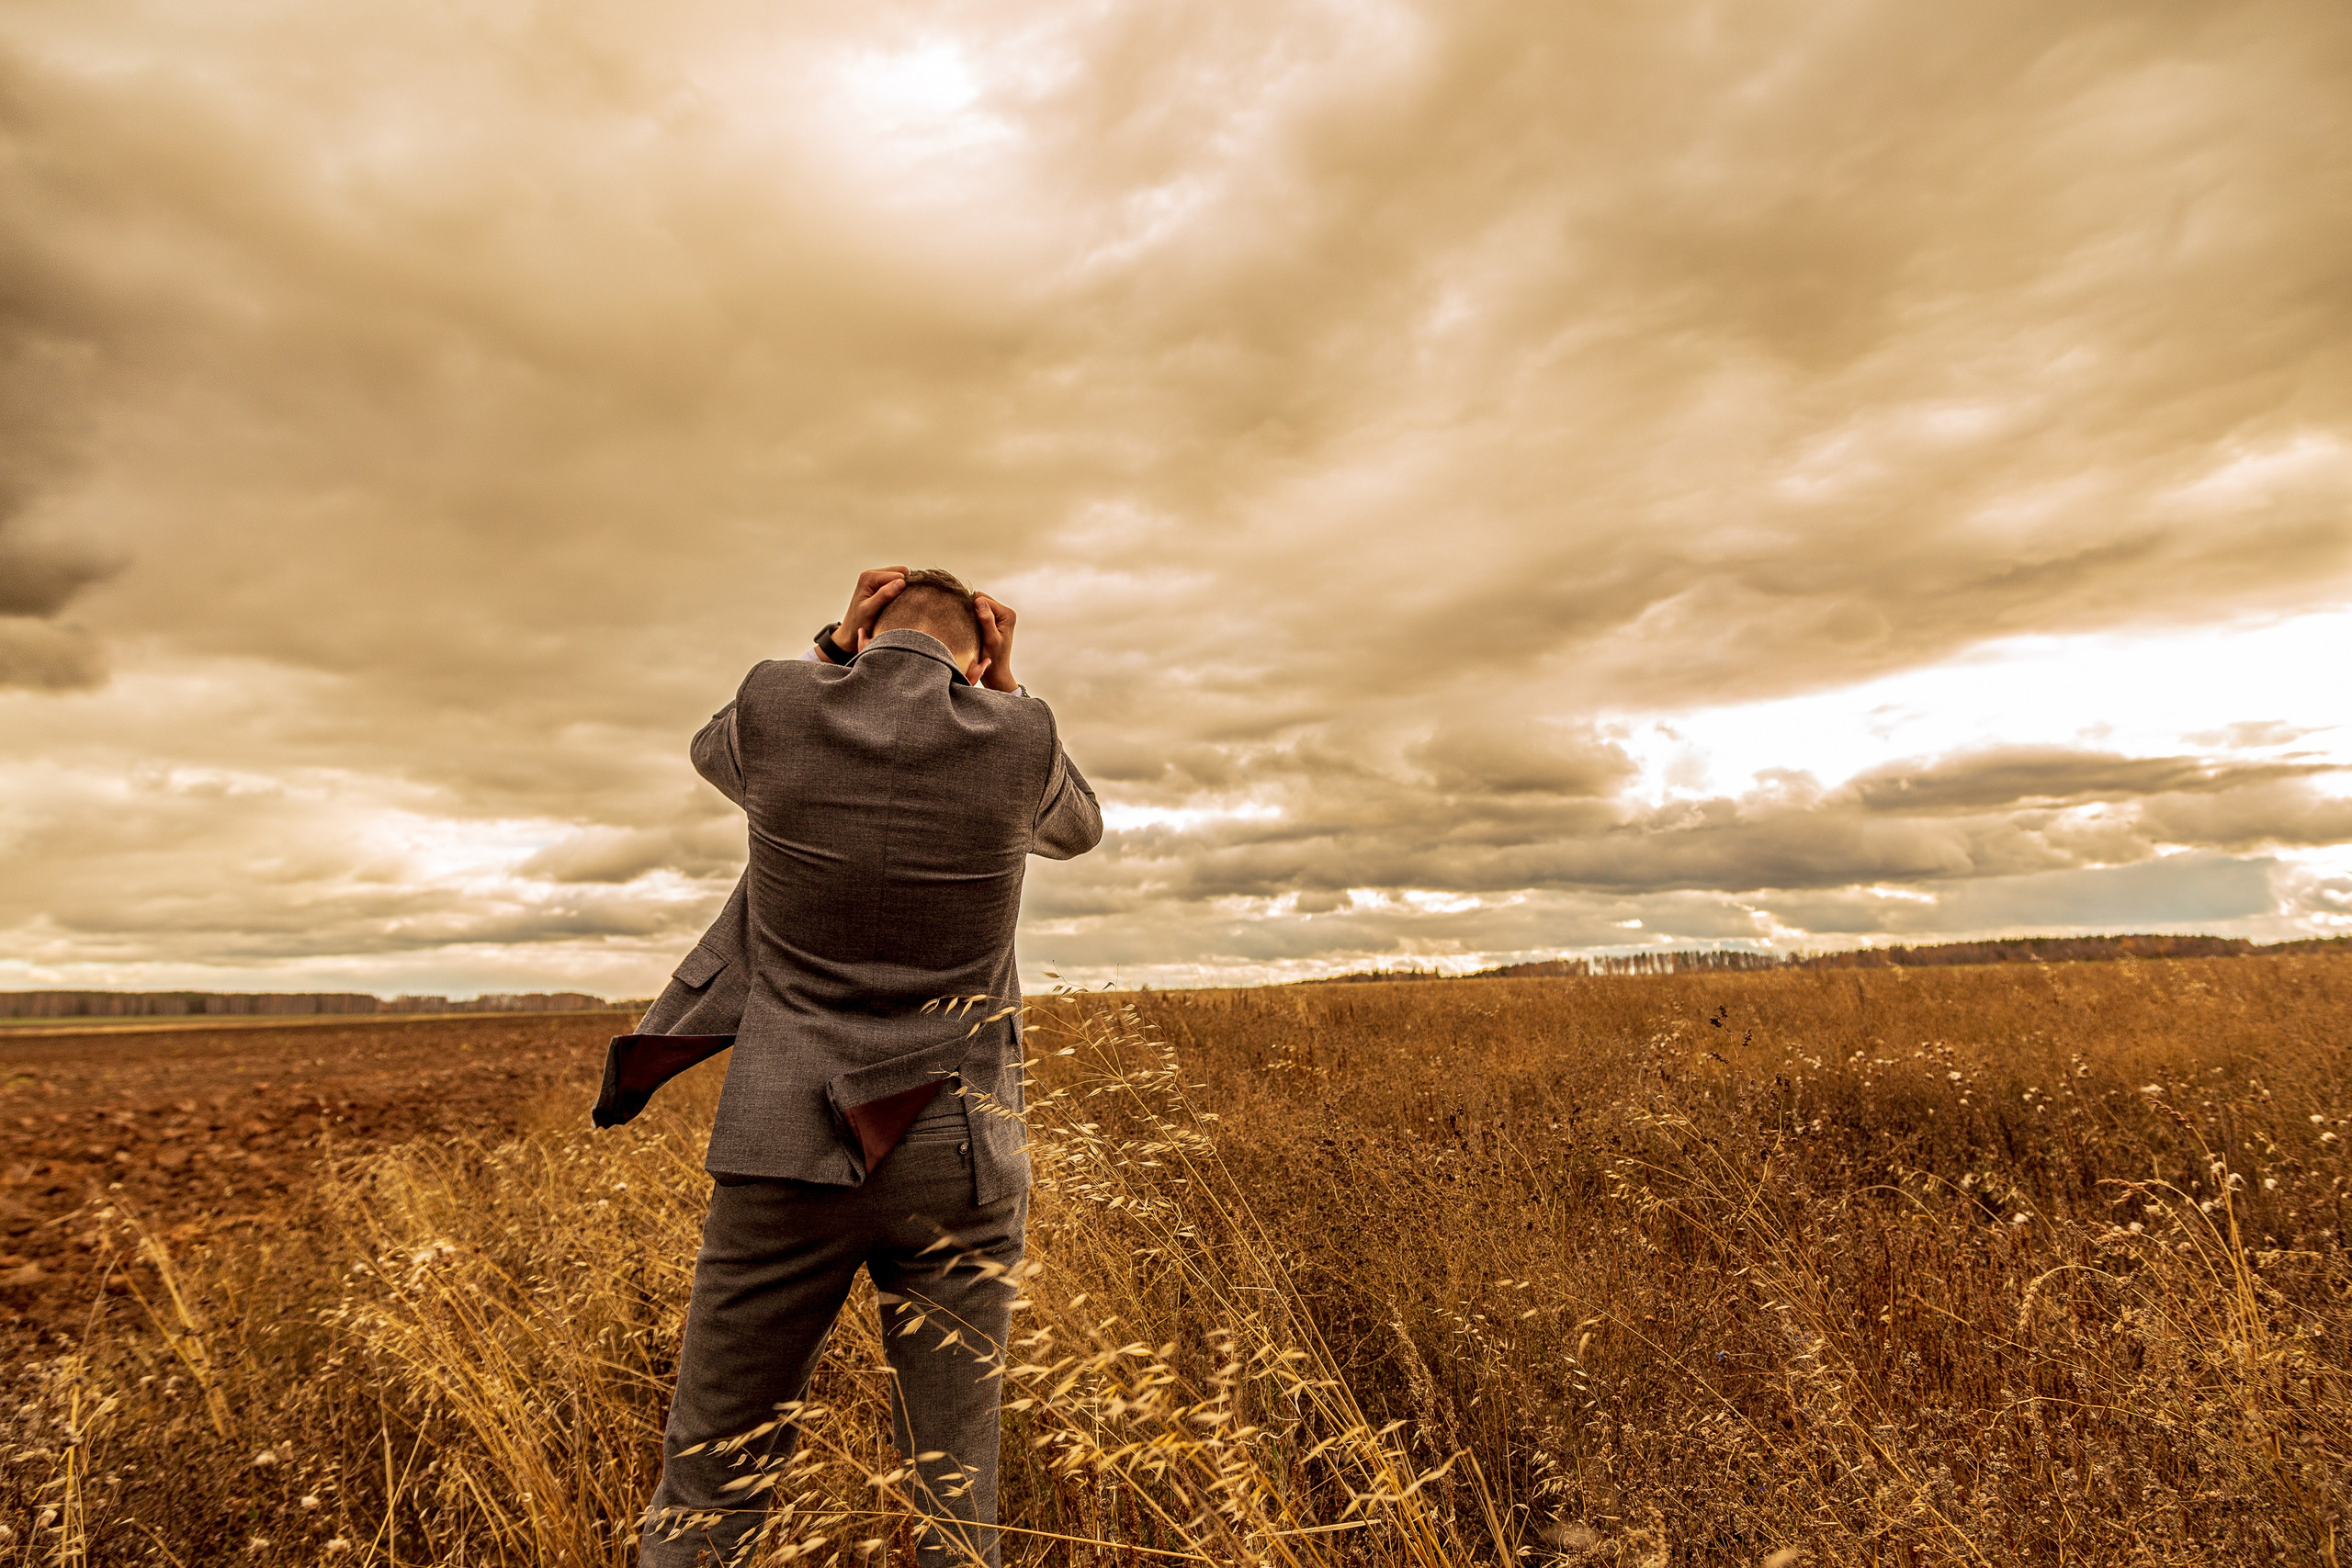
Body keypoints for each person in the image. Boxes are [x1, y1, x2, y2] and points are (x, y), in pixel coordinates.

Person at [629, 566, 1102, 1567]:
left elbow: (713, 755)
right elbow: (1079, 829)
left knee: (711, 1472)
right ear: (978, 653)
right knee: (955, 1480)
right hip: (956, 1149)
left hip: (779, 1142)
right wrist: (1007, 688)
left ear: (866, 626)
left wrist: (832, 652)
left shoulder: (775, 701)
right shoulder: (1022, 737)